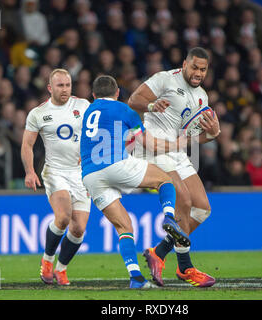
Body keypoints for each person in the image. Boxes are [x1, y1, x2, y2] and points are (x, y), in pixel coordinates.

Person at [80, 75, 189, 289]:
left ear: (93, 95)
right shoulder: (125, 110)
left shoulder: (87, 113)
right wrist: (177, 143)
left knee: (124, 226)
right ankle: (169, 217)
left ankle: (136, 277)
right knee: (164, 180)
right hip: (115, 164)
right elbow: (147, 143)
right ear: (117, 92)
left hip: (90, 175)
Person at [128, 47, 220, 287]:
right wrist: (150, 106)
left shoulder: (202, 97)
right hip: (155, 148)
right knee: (184, 203)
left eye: (203, 69)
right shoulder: (165, 79)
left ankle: (158, 252)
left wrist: (212, 135)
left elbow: (192, 137)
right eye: (195, 67)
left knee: (201, 209)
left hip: (177, 151)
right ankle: (185, 268)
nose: (198, 73)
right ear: (185, 64)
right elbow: (133, 100)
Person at [21, 68, 91, 286]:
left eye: (68, 85)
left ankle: (61, 269)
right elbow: (27, 144)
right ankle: (47, 260)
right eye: (60, 85)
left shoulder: (83, 106)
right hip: (56, 171)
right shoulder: (38, 113)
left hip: (81, 174)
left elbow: (95, 133)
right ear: (50, 88)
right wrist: (30, 171)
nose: (65, 89)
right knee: (63, 217)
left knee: (79, 228)